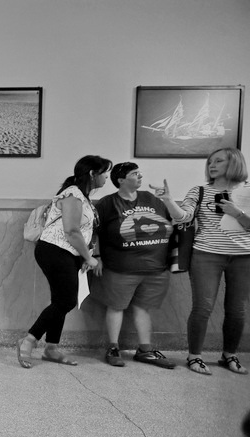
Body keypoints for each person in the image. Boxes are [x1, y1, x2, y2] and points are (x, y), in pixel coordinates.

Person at [151, 147, 250, 375]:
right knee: (203, 307)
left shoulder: (247, 191)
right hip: (207, 256)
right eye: (210, 162)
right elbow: (183, 216)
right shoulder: (200, 191)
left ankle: (229, 355)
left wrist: (237, 213)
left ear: (234, 163)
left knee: (237, 310)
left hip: (244, 258)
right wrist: (167, 200)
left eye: (218, 161)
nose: (212, 165)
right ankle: (194, 357)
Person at [17, 155, 111, 368]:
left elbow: (84, 231)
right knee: (66, 301)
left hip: (68, 253)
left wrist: (84, 254)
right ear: (92, 173)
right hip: (55, 251)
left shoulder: (82, 196)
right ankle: (29, 340)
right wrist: (89, 258)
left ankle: (51, 348)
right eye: (104, 172)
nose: (106, 177)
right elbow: (71, 230)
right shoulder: (73, 195)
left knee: (60, 300)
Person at [90, 162, 175, 369]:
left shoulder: (151, 199)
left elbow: (172, 222)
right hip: (120, 267)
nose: (140, 176)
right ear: (121, 179)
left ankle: (145, 350)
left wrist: (168, 199)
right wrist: (97, 256)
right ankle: (113, 348)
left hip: (154, 268)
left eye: (139, 173)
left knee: (142, 308)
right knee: (116, 306)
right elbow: (94, 231)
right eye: (134, 174)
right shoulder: (107, 203)